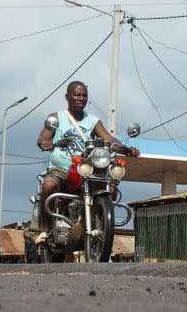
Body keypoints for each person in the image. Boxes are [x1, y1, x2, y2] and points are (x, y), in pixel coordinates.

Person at [35, 80, 139, 243]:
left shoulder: (93, 121)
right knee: (48, 186)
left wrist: (125, 148)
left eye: (84, 95)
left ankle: (99, 220)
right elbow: (43, 136)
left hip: (85, 168)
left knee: (110, 186)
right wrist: (45, 142)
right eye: (77, 94)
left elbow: (108, 137)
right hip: (60, 169)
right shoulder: (56, 117)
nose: (80, 98)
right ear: (67, 97)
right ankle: (45, 229)